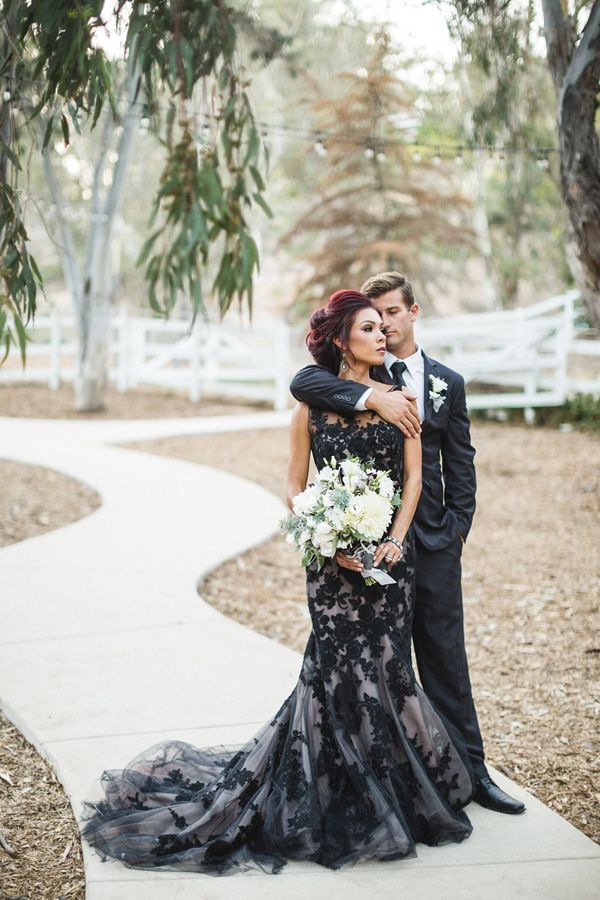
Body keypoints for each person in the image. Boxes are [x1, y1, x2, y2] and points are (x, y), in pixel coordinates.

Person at [82, 290, 475, 876]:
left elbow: (415, 480)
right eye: (369, 328)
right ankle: (335, 795)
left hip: (391, 560)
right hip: (330, 567)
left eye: (384, 326)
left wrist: (391, 541)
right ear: (342, 340)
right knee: (333, 672)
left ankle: (393, 792)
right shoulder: (311, 405)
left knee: (387, 669)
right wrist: (328, 536)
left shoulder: (404, 399)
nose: (382, 335)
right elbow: (294, 482)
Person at [290, 272, 525, 815]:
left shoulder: (444, 382)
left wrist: (457, 529)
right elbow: (306, 385)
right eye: (373, 319)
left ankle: (471, 772)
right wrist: (374, 395)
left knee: (445, 658)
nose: (385, 326)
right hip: (365, 547)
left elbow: (459, 463)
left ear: (412, 312)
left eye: (392, 314)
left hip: (430, 540)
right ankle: (383, 778)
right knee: (378, 664)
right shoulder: (341, 381)